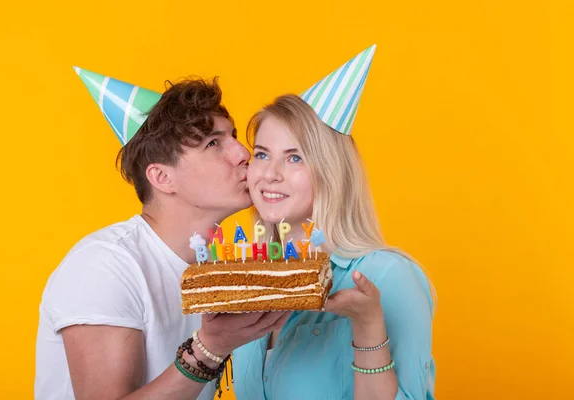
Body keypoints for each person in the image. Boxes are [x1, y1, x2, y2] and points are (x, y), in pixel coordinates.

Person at [35, 76, 291, 400]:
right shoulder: (105, 267)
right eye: (213, 143)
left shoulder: (216, 268)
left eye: (234, 136)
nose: (243, 153)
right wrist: (209, 349)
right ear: (162, 177)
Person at [232, 47, 436, 400]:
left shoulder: (389, 277)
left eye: (295, 157)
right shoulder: (250, 281)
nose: (270, 174)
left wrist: (368, 323)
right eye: (262, 154)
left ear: (331, 172)